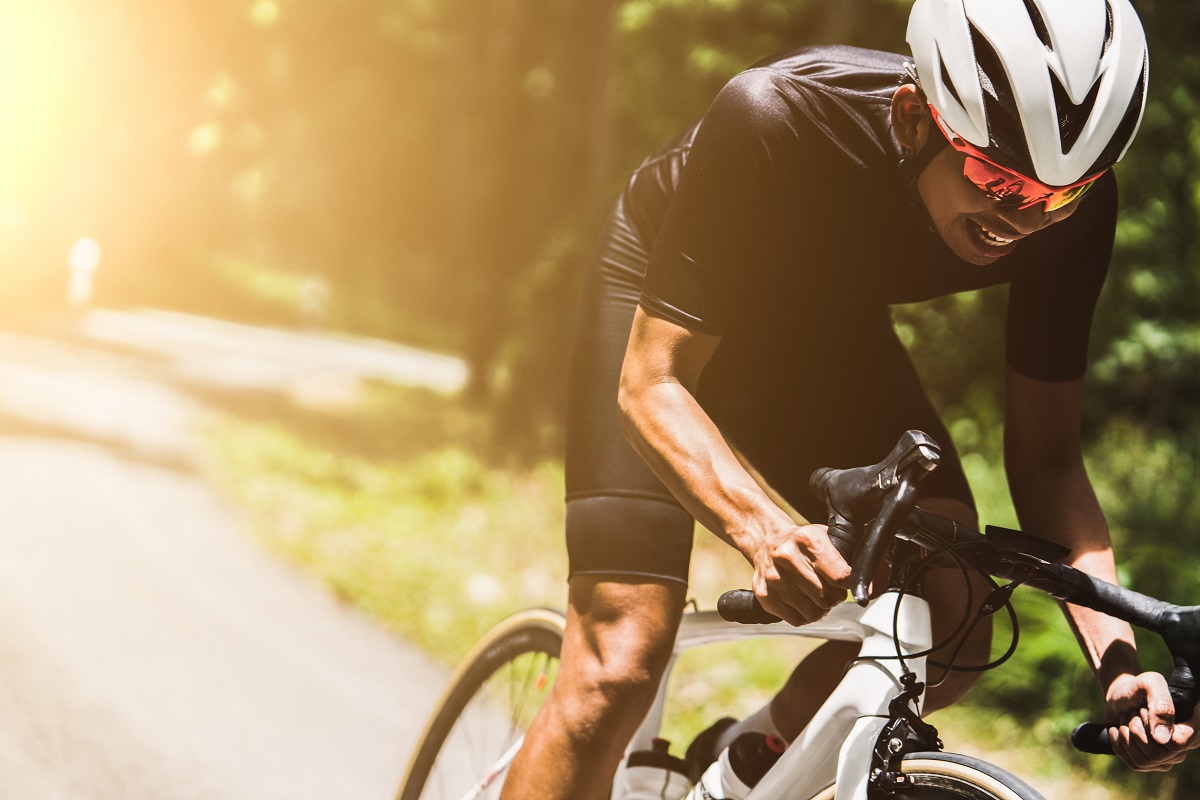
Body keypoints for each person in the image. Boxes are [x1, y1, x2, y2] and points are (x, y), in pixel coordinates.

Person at [500, 0, 1198, 796]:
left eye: (1054, 198)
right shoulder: (777, 116)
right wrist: (763, 533)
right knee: (619, 662)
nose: (1020, 219)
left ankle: (748, 763)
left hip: (824, 333)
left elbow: (1046, 461)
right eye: (994, 177)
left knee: (960, 622)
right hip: (664, 324)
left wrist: (1117, 668)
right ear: (912, 118)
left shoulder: (1073, 219)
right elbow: (651, 385)